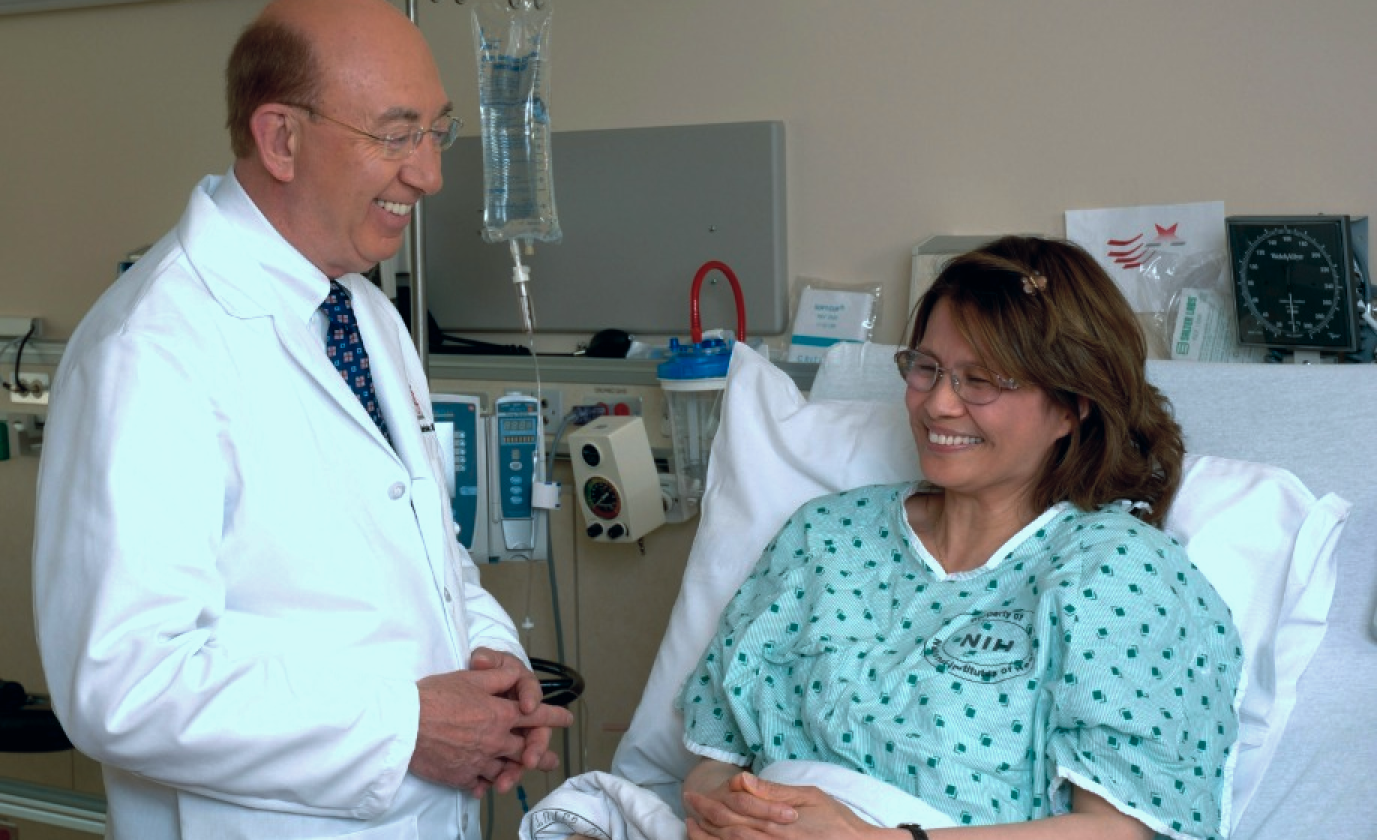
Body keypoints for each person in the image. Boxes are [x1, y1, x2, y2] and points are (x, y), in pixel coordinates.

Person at [30, 1, 572, 838]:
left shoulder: (362, 314)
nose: (428, 175)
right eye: (395, 136)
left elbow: (431, 560)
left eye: (438, 131)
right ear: (280, 137)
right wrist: (406, 728)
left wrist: (490, 666)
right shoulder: (149, 349)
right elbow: (123, 685)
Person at [670, 236, 1244, 840]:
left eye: (982, 380)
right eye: (928, 369)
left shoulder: (1118, 571)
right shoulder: (826, 535)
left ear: (1073, 406)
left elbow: (1122, 831)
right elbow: (717, 757)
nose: (938, 404)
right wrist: (738, 817)